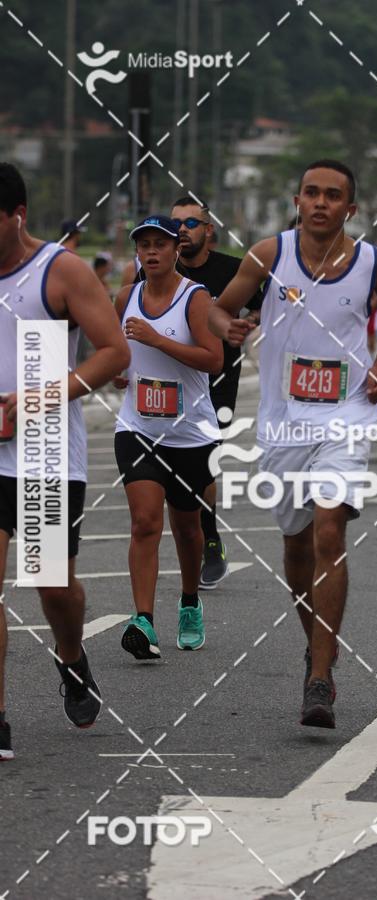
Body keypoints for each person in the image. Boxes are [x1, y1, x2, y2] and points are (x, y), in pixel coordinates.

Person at [209, 159, 377, 729]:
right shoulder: (269, 256)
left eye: (333, 195)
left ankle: (319, 680)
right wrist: (232, 328)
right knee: (296, 546)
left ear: (351, 208)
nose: (320, 202)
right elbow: (222, 307)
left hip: (346, 417)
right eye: (311, 193)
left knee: (329, 529)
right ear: (298, 200)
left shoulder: (373, 262)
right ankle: (318, 645)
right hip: (282, 422)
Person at [0, 163, 129, 759]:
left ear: (17, 216)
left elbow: (112, 352)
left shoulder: (58, 271)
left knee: (53, 586)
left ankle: (72, 656)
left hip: (46, 454)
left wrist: (36, 398)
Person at [113, 215, 223, 660]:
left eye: (161, 244)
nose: (152, 252)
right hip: (137, 426)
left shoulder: (195, 299)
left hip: (190, 432)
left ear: (177, 249)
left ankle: (190, 602)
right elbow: (114, 350)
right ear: (137, 252)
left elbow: (213, 360)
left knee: (188, 528)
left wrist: (158, 340)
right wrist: (120, 372)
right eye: (144, 246)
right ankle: (143, 620)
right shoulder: (125, 297)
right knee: (144, 522)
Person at [170, 197, 263, 589]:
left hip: (216, 378)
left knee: (203, 460)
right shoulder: (157, 269)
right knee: (171, 471)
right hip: (167, 378)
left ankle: (209, 537)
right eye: (176, 223)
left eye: (192, 222)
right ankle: (191, 534)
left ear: (210, 230)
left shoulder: (231, 269)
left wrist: (244, 325)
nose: (182, 229)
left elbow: (262, 308)